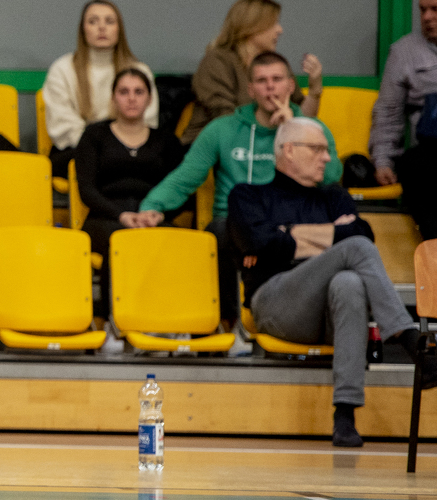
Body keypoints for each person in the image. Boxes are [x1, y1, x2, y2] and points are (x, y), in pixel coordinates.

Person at [229, 117, 437, 447]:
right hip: (276, 305)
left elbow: (362, 232)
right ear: (289, 150)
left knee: (349, 282)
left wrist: (288, 234)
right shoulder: (248, 195)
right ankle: (411, 341)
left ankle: (345, 415)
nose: (327, 158)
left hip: (330, 312)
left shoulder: (334, 196)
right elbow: (259, 242)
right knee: (353, 250)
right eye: (317, 149)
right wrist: (332, 236)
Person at [137, 52, 340, 342]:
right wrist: (152, 206)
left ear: (291, 85)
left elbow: (331, 177)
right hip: (236, 223)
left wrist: (291, 131)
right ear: (250, 90)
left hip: (294, 221)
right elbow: (186, 176)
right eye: (261, 80)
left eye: (277, 79)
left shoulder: (311, 130)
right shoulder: (223, 129)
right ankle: (229, 322)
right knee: (219, 232)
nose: (270, 87)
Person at [74, 68, 186, 313]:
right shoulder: (94, 136)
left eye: (139, 92)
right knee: (120, 240)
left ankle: (170, 319)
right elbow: (87, 190)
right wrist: (121, 216)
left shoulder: (167, 141)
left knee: (180, 242)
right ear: (113, 98)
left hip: (152, 217)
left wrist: (159, 215)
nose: (131, 98)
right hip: (105, 217)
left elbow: (180, 190)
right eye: (124, 92)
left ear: (150, 98)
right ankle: (113, 320)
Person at [41, 0, 158, 178]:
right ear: (83, 30)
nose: (101, 27)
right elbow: (62, 125)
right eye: (93, 21)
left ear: (119, 29)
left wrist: (121, 145)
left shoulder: (139, 72)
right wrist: (103, 146)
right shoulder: (62, 69)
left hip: (129, 150)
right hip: (77, 151)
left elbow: (148, 120)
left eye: (109, 21)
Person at [183, 0, 321, 143]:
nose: (280, 30)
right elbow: (224, 118)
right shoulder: (217, 61)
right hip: (216, 147)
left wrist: (315, 90)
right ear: (252, 26)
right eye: (274, 23)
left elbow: (303, 121)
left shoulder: (274, 63)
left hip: (266, 144)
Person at [371, 0, 437, 239]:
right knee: (414, 167)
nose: (427, 17)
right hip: (431, 153)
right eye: (423, 10)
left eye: (435, 9)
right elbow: (389, 112)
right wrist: (383, 160)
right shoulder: (404, 52)